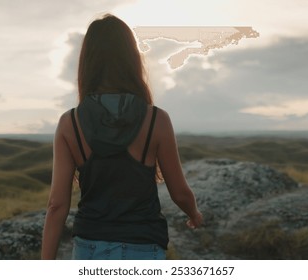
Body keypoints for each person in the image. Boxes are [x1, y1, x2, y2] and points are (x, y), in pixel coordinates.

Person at [41, 14, 203, 260]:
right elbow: (179, 192)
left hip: (89, 248)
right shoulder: (156, 120)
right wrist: (194, 214)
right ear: (132, 59)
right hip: (143, 247)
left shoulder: (69, 124)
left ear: (87, 62)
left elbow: (56, 206)